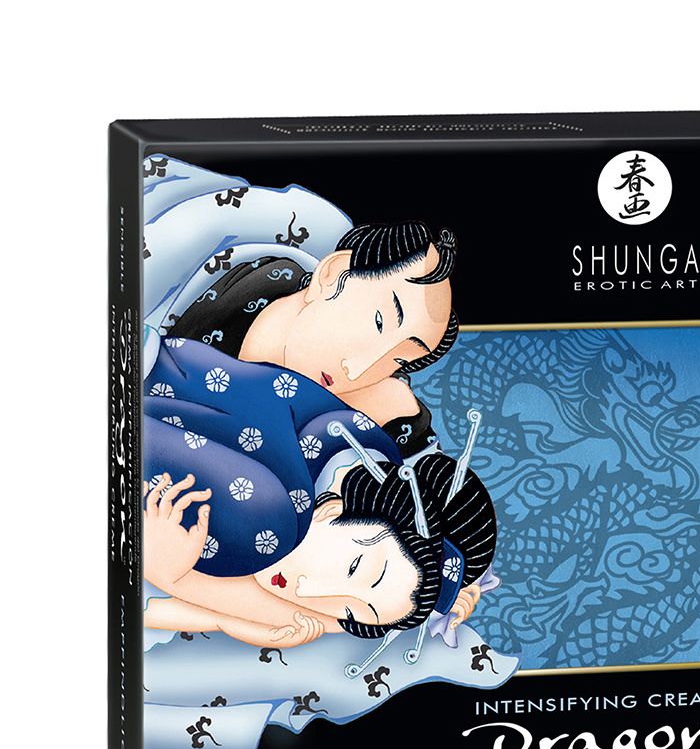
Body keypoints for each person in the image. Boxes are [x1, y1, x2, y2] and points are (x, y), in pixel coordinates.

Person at [143, 449, 498, 650]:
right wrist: (168, 576)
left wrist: (231, 622)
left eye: (349, 611)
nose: (306, 592)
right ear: (332, 509)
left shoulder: (334, 608)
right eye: (354, 567)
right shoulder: (266, 489)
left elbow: (145, 612)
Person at [166, 222, 458, 454]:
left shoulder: (381, 411)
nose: (356, 371)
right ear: (333, 274)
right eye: (378, 322)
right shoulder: (218, 298)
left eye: (398, 360)